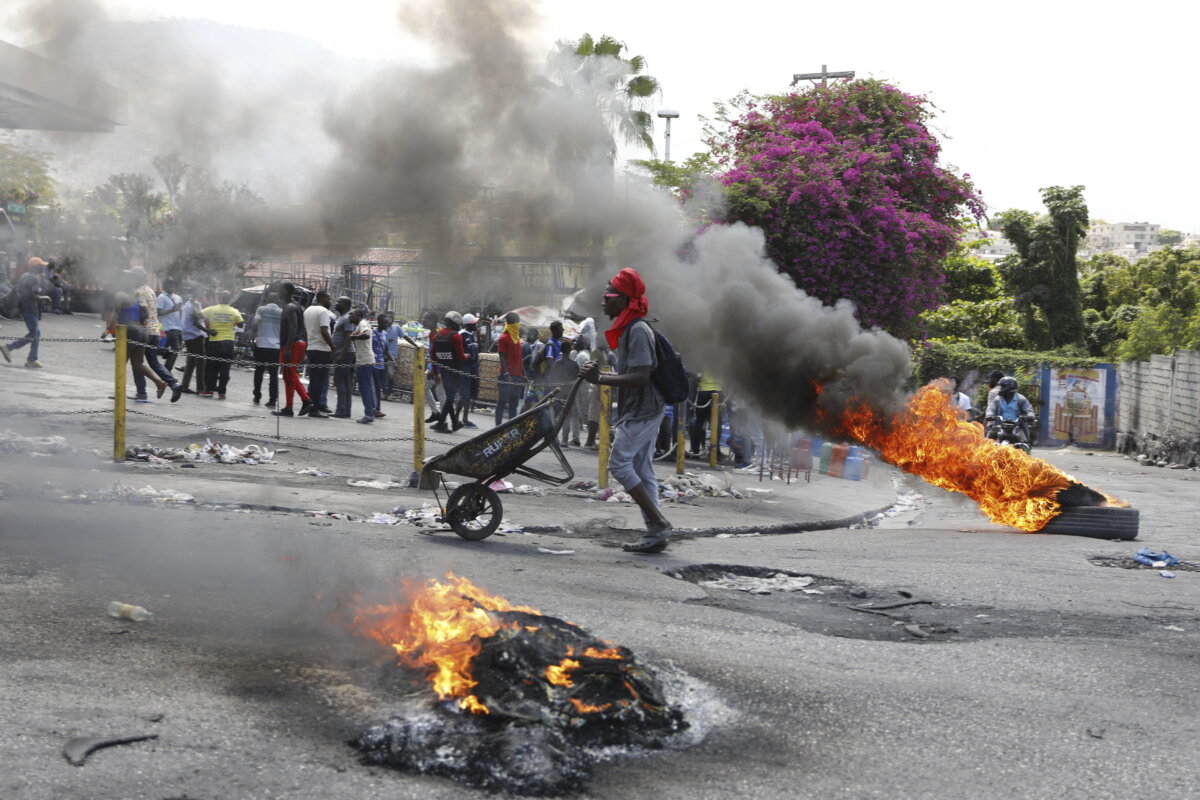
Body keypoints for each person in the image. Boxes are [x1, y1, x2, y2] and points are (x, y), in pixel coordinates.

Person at [580, 267, 672, 554]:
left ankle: (657, 522)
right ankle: (656, 532)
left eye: (608, 296)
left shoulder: (639, 330)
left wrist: (601, 379)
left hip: (644, 408)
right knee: (643, 471)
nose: (603, 301)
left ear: (624, 300)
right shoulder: (629, 328)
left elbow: (643, 376)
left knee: (619, 464)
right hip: (639, 407)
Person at [274, 282, 319, 418]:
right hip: (297, 344)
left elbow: (293, 328)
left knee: (290, 374)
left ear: (288, 291)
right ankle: (294, 405)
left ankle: (303, 401)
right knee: (289, 375)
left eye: (280, 290)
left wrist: (288, 348)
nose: (279, 293)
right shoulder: (297, 307)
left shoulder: (290, 307)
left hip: (292, 344)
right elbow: (302, 328)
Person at [112, 292, 168, 402]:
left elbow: (116, 313)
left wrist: (107, 329)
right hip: (142, 331)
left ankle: (118, 392)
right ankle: (159, 382)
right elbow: (145, 315)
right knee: (138, 364)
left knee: (121, 362)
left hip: (130, 330)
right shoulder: (139, 298)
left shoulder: (120, 295)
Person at [1, 258, 50, 367]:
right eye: (41, 266)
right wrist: (45, 297)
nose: (43, 268)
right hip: (31, 309)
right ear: (36, 267)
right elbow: (34, 295)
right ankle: (9, 347)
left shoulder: (25, 276)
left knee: (36, 333)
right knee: (34, 333)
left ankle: (32, 359)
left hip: (24, 308)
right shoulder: (35, 279)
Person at [429, 311, 467, 433]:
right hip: (454, 371)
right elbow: (461, 357)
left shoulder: (438, 335)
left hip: (443, 371)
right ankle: (441, 423)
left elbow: (433, 357)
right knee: (450, 397)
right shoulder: (456, 336)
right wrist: (469, 356)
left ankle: (455, 423)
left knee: (449, 397)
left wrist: (435, 373)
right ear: (454, 323)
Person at [200, 291, 243, 399]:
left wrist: (207, 330)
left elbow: (196, 316)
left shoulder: (211, 309)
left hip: (214, 341)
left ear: (219, 298)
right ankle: (222, 392)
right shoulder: (234, 311)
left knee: (211, 367)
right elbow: (241, 324)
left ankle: (209, 390)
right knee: (225, 367)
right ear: (229, 300)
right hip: (228, 342)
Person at [303, 291, 336, 414]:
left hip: (311, 348)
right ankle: (314, 409)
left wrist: (308, 344)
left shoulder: (307, 310)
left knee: (313, 380)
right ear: (322, 299)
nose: (330, 302)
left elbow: (306, 331)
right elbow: (324, 330)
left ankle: (310, 405)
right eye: (329, 299)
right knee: (319, 381)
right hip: (322, 349)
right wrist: (333, 347)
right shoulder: (323, 312)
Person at [250, 291, 282, 407]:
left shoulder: (261, 309)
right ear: (278, 300)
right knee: (273, 374)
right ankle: (272, 400)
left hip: (261, 344)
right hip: (275, 346)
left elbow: (255, 323)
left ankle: (257, 396)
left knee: (259, 372)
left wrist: (254, 337)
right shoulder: (281, 312)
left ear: (267, 299)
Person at [347, 307, 378, 424]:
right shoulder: (360, 324)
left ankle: (369, 414)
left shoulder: (363, 323)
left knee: (365, 388)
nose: (350, 316)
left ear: (358, 315)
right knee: (367, 388)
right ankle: (371, 411)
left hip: (365, 361)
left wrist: (353, 337)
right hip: (365, 360)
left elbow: (367, 334)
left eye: (352, 314)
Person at [495, 311, 525, 426]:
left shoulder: (516, 338)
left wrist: (523, 373)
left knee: (514, 404)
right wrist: (507, 374)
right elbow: (501, 356)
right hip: (506, 376)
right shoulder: (503, 337)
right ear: (512, 323)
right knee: (501, 403)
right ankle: (497, 427)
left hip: (517, 376)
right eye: (517, 321)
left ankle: (510, 428)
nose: (518, 324)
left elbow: (519, 358)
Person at [986, 376, 1035, 444]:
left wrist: (1030, 416)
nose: (1000, 389)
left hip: (1017, 426)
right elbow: (991, 408)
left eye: (1002, 387)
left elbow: (1029, 409)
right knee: (989, 440)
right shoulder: (997, 399)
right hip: (1000, 425)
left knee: (1024, 443)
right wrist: (989, 415)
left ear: (1009, 387)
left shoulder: (1021, 399)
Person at [330, 297, 355, 418]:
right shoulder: (342, 317)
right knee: (345, 382)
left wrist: (341, 354)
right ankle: (346, 410)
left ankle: (341, 410)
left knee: (339, 381)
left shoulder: (346, 318)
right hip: (343, 353)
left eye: (339, 302)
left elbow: (349, 337)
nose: (336, 303)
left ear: (345, 304)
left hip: (344, 354)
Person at [457, 313, 481, 428]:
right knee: (464, 394)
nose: (476, 325)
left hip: (474, 367)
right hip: (465, 367)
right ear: (468, 325)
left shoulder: (473, 335)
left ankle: (463, 418)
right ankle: (460, 418)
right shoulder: (461, 335)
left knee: (469, 394)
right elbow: (458, 352)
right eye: (474, 324)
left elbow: (477, 350)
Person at [691, 372, 723, 459]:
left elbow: (696, 376)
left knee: (700, 421)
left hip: (703, 391)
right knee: (716, 424)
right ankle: (714, 452)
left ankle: (695, 450)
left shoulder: (704, 359)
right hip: (717, 391)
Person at [156, 278, 184, 373]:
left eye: (173, 284)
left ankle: (165, 353)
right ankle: (167, 371)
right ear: (164, 285)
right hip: (169, 327)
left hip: (178, 327)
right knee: (176, 349)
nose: (172, 286)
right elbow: (158, 312)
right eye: (169, 284)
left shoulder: (178, 297)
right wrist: (172, 310)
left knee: (175, 349)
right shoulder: (161, 297)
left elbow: (181, 311)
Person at [370, 315, 387, 418]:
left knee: (378, 388)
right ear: (380, 322)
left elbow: (386, 349)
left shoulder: (385, 333)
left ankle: (377, 408)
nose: (387, 325)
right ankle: (376, 409)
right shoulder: (373, 333)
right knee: (375, 387)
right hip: (374, 364)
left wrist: (390, 360)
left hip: (381, 365)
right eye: (385, 322)